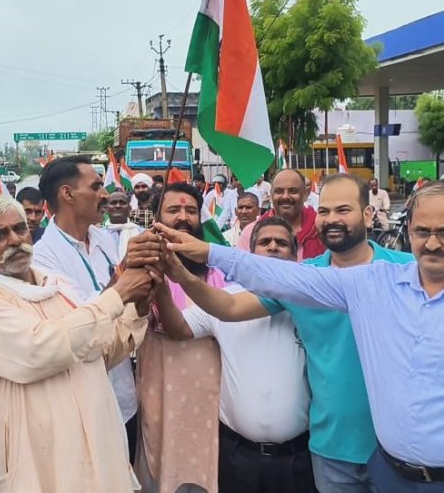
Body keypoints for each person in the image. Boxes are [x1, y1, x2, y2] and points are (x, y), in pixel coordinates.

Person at [159, 181, 444, 492]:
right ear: (409, 230)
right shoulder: (374, 284)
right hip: (391, 474)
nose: (433, 243)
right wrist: (206, 253)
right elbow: (278, 275)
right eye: (422, 230)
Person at [158, 174, 415, 493]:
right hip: (332, 451)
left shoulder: (406, 271)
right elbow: (229, 307)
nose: (332, 219)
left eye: (343, 210)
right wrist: (179, 273)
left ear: (367, 214)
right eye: (324, 211)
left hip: (397, 452)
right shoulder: (302, 280)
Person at [0, 195, 156, 492]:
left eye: (19, 229)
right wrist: (118, 294)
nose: (15, 240)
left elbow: (97, 353)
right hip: (37, 461)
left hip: (96, 451)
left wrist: (137, 307)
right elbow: (40, 349)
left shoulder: (56, 286)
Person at [155, 215, 312, 493]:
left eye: (281, 243)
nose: (273, 247)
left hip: (298, 458)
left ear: (295, 253)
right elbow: (179, 327)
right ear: (251, 253)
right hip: (238, 457)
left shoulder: (311, 301)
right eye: (265, 242)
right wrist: (161, 288)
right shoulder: (221, 299)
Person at [34, 156, 150, 464]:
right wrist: (122, 279)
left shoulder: (103, 238)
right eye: (96, 186)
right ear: (67, 194)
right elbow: (76, 324)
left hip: (123, 398)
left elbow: (127, 307)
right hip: (81, 408)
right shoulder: (41, 259)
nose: (105, 194)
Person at [135, 182, 224, 493]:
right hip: (161, 381)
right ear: (157, 217)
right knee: (162, 456)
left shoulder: (216, 270)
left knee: (204, 462)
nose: (183, 217)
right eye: (173, 210)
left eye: (190, 211)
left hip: (207, 386)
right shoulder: (142, 265)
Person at [238, 169, 325, 260]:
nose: (285, 196)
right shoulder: (250, 232)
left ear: (305, 194)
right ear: (271, 195)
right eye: (279, 191)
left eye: (293, 191)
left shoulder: (320, 230)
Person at [105, 191, 143, 260]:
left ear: (129, 209)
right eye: (113, 203)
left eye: (122, 203)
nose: (118, 206)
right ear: (106, 209)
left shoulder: (142, 233)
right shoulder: (98, 235)